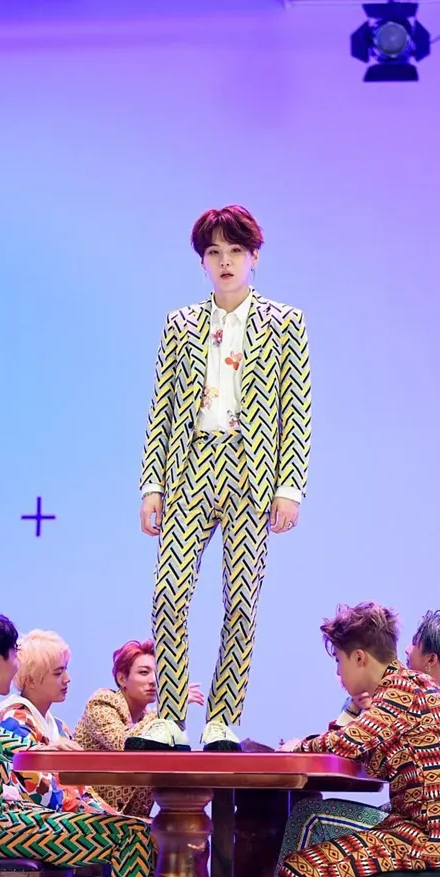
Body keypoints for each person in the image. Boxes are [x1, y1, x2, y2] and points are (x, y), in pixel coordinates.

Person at [132, 205, 312, 752]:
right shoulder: (179, 324)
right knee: (168, 592)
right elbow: (161, 409)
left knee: (240, 598)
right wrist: (152, 486)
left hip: (252, 471)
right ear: (202, 262)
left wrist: (289, 487)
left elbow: (296, 411)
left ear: (254, 257)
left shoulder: (285, 322)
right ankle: (169, 717)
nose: (225, 261)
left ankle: (222, 719)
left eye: (235, 251)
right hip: (189, 468)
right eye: (214, 252)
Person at [0, 613, 153, 877]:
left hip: (4, 821)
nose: (17, 665)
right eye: (13, 655)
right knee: (131, 833)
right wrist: (42, 749)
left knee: (136, 830)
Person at [266, 609, 440, 877]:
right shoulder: (406, 687)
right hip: (437, 834)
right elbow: (365, 749)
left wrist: (298, 747)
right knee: (321, 873)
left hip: (434, 838)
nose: (338, 673)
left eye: (339, 661)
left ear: (359, 658)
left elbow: (349, 742)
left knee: (299, 872)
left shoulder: (403, 690)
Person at [75, 639, 204, 816]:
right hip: (89, 815)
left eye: (157, 673)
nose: (153, 680)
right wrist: (169, 708)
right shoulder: (102, 702)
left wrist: (174, 715)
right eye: (144, 672)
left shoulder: (149, 718)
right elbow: (124, 743)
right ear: (122, 679)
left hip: (131, 819)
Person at [0, 629, 115, 814]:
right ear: (30, 680)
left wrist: (111, 814)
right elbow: (42, 793)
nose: (67, 679)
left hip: (66, 815)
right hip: (37, 822)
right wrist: (104, 817)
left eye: (65, 669)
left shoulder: (59, 727)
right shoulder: (13, 721)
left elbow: (82, 789)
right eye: (58, 673)